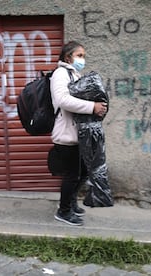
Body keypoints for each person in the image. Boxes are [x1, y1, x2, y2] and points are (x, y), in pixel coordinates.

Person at [49, 41, 108, 226]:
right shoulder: (60, 74)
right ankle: (63, 211)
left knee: (82, 173)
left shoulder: (74, 74)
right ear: (68, 57)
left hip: (79, 135)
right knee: (72, 175)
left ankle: (71, 203)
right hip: (66, 136)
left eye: (83, 56)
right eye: (79, 55)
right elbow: (63, 100)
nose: (82, 59)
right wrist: (93, 107)